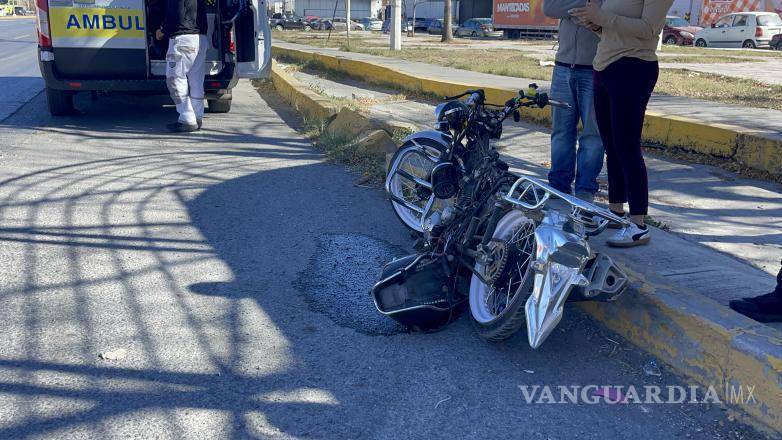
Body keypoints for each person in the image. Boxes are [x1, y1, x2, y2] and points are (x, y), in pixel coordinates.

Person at [571, 0, 673, 247]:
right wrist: (594, 23)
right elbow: (612, 29)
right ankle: (615, 212)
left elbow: (648, 29)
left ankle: (638, 224)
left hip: (634, 67)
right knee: (612, 146)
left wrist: (602, 17)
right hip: (604, 66)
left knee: (627, 147)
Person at [542, 0, 603, 204]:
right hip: (562, 67)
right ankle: (558, 185)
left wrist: (571, 10)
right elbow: (550, 8)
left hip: (595, 68)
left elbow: (604, 12)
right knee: (561, 132)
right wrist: (585, 7)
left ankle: (585, 190)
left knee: (593, 135)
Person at [156, 0, 208, 132]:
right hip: (200, 39)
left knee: (174, 79)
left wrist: (162, 30)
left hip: (183, 39)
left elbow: (176, 14)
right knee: (196, 81)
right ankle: (197, 116)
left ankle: (187, 118)